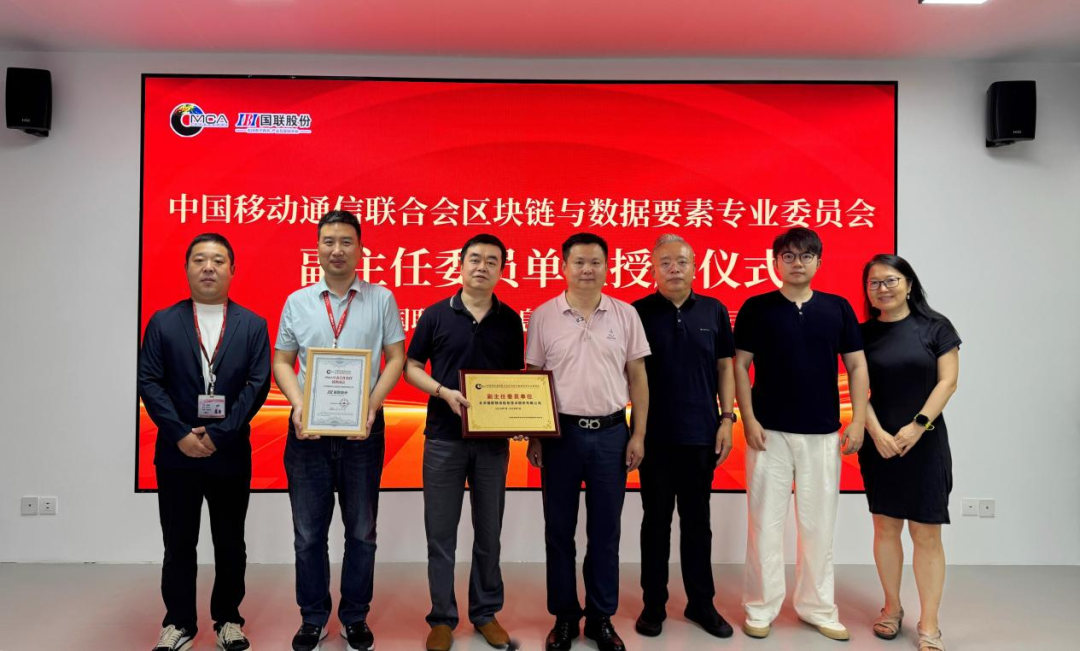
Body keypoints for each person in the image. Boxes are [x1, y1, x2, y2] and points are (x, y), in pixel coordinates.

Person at [273, 211, 406, 651]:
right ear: (317, 248)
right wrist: (299, 405)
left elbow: (396, 358)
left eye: (346, 241)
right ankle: (312, 617)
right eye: (328, 241)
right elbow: (282, 361)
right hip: (307, 433)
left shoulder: (381, 298)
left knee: (362, 531)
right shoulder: (297, 301)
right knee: (308, 534)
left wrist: (371, 405)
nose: (337, 250)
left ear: (360, 249)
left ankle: (355, 616)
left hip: (362, 432)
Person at [733, 226, 868, 641]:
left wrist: (858, 420)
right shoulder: (757, 307)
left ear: (818, 262)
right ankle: (761, 606)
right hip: (768, 433)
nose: (797, 263)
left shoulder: (838, 308)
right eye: (788, 256)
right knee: (765, 524)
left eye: (805, 256)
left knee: (818, 525)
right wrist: (748, 419)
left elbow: (857, 366)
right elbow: (740, 365)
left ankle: (817, 607)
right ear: (775, 262)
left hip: (823, 434)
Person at [138, 233, 272, 651]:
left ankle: (228, 619)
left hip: (228, 453)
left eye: (217, 260)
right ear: (187, 269)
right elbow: (150, 381)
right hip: (176, 453)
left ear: (232, 269)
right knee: (178, 542)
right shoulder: (163, 321)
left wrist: (219, 433)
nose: (208, 267)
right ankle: (179, 622)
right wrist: (180, 434)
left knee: (230, 542)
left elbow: (257, 384)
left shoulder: (252, 324)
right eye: (199, 260)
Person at [525, 232, 651, 651]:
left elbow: (638, 377)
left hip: (613, 435)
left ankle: (600, 618)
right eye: (578, 262)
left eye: (595, 262)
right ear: (563, 266)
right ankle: (564, 618)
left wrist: (638, 433)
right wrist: (536, 435)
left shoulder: (626, 314)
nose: (587, 269)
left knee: (605, 532)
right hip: (560, 436)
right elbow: (534, 378)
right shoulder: (544, 315)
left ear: (607, 267)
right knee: (559, 531)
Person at [403, 234, 524, 651]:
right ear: (460, 263)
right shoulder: (436, 314)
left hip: (492, 444)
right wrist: (442, 392)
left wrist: (521, 417)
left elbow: (515, 379)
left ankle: (485, 613)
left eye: (492, 261)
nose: (482, 267)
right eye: (475, 258)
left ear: (501, 270)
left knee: (489, 531)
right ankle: (441, 617)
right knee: (441, 534)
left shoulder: (510, 320)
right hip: (443, 440)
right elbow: (411, 367)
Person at [631, 234, 735, 639]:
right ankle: (653, 604)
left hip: (701, 434)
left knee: (697, 523)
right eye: (666, 262)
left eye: (682, 261)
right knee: (655, 522)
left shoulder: (714, 309)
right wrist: (637, 433)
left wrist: (726, 419)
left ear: (695, 266)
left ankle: (701, 603)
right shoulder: (637, 312)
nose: (674, 269)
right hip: (654, 436)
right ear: (653, 268)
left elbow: (725, 367)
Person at [859, 254, 960, 651]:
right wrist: (876, 432)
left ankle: (929, 624)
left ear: (909, 284)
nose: (882, 288)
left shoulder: (936, 327)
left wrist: (918, 426)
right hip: (879, 443)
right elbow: (854, 387)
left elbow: (947, 382)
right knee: (885, 528)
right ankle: (891, 608)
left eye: (891, 280)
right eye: (874, 283)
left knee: (926, 532)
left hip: (925, 442)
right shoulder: (863, 334)